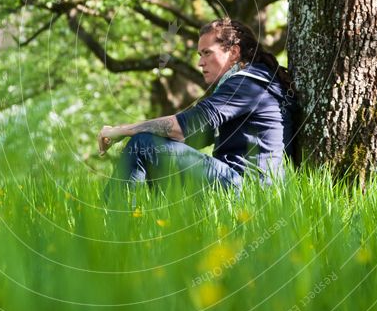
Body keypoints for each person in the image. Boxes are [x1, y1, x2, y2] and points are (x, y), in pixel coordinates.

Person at [98, 17, 297, 198]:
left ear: (234, 52)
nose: (200, 63)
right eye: (200, 55)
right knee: (155, 149)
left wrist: (121, 131)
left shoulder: (247, 84)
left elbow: (184, 126)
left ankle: (111, 226)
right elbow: (189, 136)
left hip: (247, 190)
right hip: (247, 188)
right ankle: (154, 228)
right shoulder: (254, 81)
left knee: (143, 144)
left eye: (207, 53)